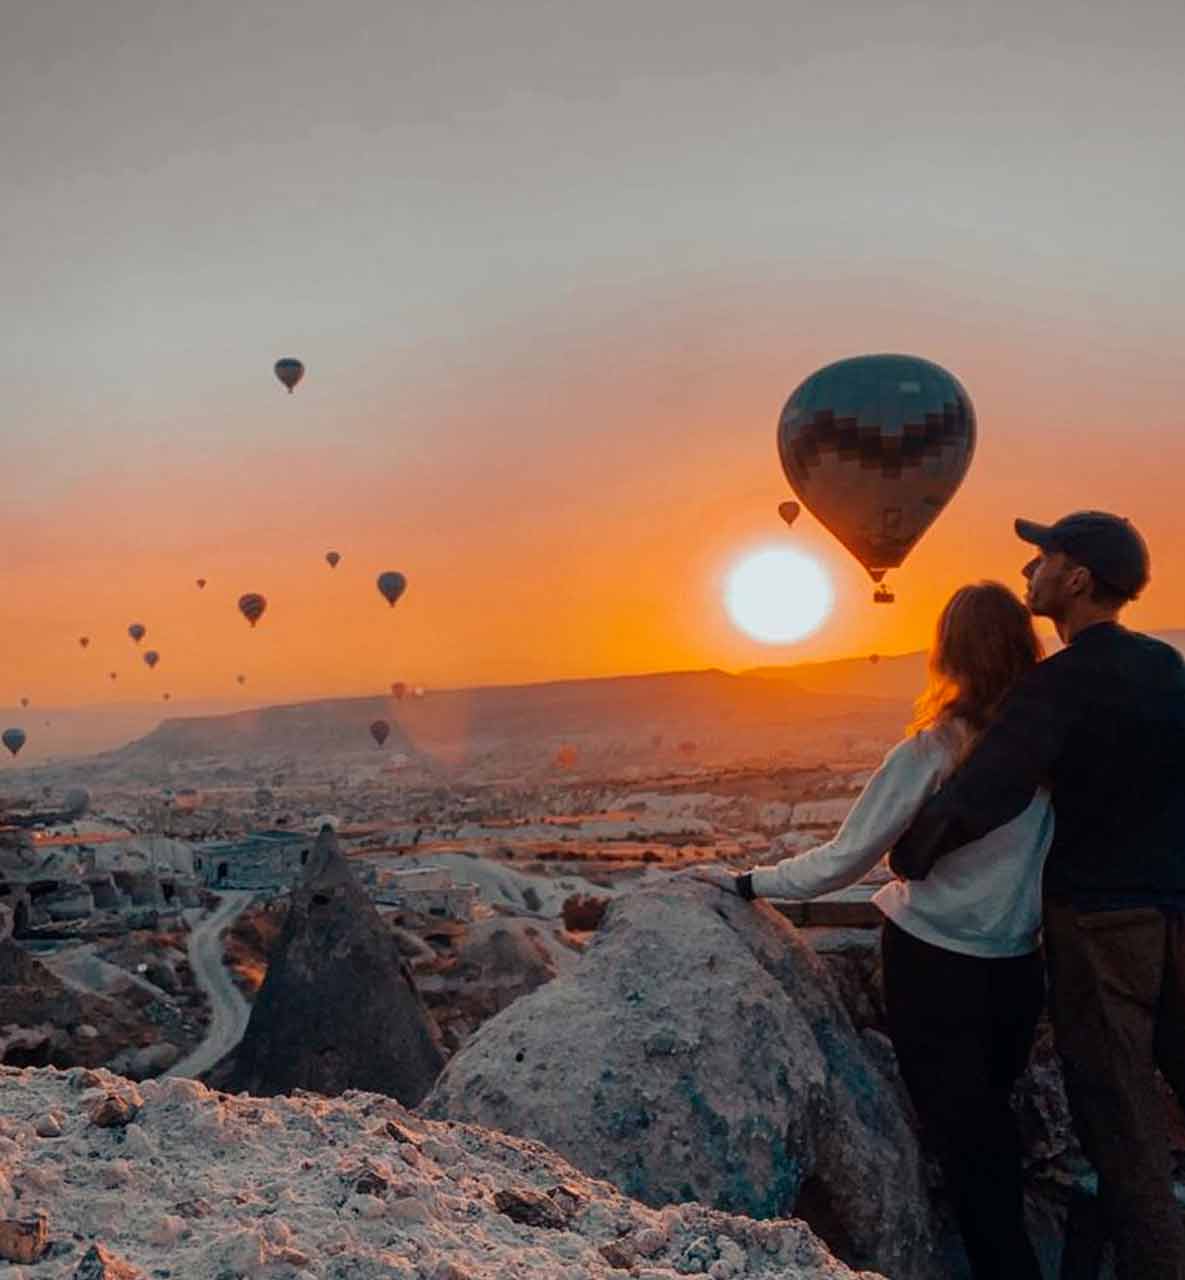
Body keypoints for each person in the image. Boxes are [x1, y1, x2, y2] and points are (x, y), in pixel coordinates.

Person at [695, 581, 1050, 1279]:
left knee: (963, 1142)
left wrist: (746, 882)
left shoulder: (933, 749)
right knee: (989, 1133)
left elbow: (844, 858)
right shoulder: (1056, 755)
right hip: (1017, 967)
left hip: (933, 963)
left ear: (946, 655)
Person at [890, 511, 1185, 1280]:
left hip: (1100, 921)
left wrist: (910, 853)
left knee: (1121, 1119)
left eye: (1041, 560)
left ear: (1077, 578)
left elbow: (982, 792)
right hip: (1174, 908)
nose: (1028, 574)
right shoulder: (1165, 666)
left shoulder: (1057, 684)